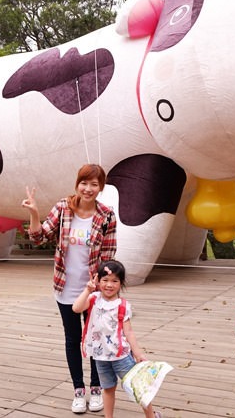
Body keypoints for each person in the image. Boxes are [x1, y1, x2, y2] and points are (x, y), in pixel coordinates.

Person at [22, 164, 116, 414]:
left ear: (101, 188)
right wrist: (34, 213)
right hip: (65, 288)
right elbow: (39, 237)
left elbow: (108, 256)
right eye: (84, 183)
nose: (88, 189)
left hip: (93, 291)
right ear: (77, 184)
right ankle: (78, 390)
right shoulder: (63, 208)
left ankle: (96, 388)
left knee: (95, 339)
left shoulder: (107, 215)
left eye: (94, 184)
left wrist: (102, 287)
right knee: (73, 339)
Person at [73, 260, 162, 418]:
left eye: (115, 281)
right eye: (105, 280)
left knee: (137, 387)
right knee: (108, 389)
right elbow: (76, 308)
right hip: (101, 357)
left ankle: (151, 416)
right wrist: (87, 289)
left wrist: (138, 353)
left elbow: (128, 331)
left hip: (121, 356)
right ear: (98, 280)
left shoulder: (122, 305)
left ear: (121, 284)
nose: (109, 285)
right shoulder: (93, 299)